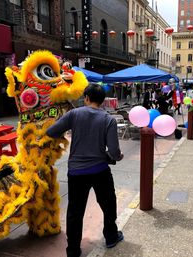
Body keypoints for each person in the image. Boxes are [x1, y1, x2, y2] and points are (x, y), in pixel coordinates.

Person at [46, 83, 124, 257]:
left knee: (75, 211)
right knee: (108, 204)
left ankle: (73, 250)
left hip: (76, 173)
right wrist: (118, 157)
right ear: (102, 101)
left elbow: (51, 131)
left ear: (86, 98)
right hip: (100, 171)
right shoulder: (108, 119)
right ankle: (111, 236)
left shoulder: (74, 114)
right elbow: (113, 151)